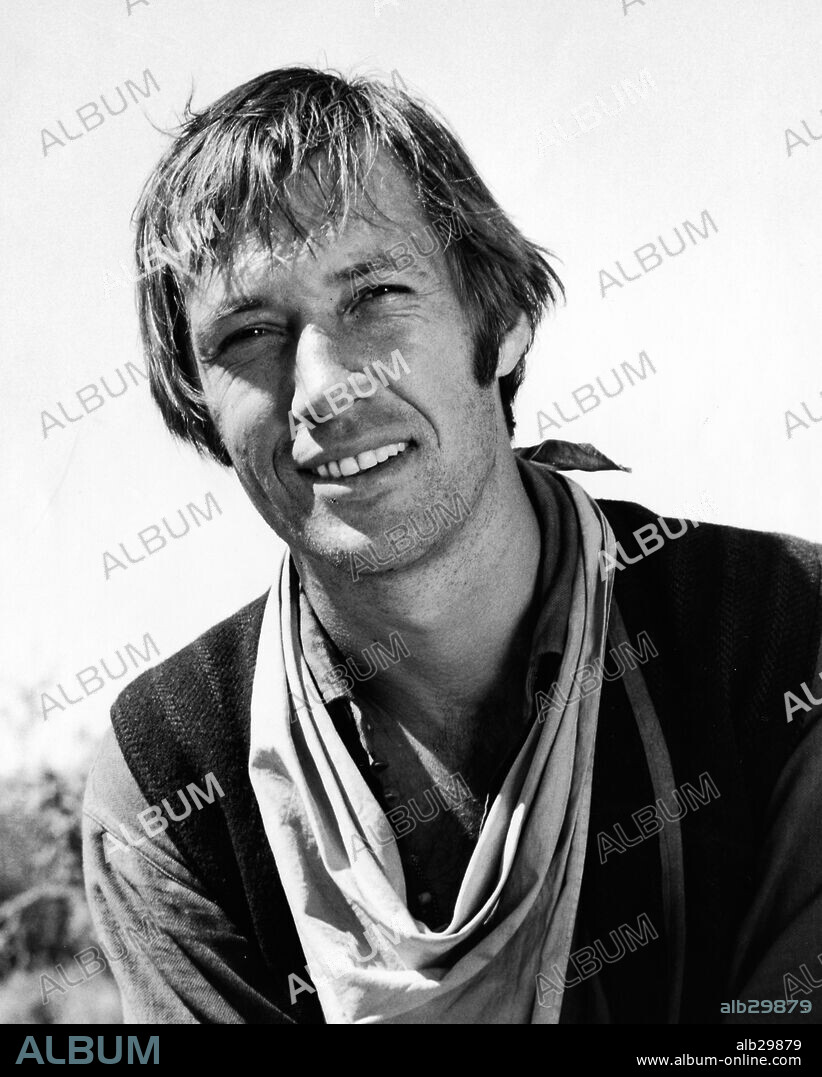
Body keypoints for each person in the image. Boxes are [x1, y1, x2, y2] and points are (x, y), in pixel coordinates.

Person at [82, 67, 822, 1025]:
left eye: (376, 293)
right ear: (197, 407)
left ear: (503, 319)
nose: (322, 392)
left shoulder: (779, 633)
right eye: (249, 332)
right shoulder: (171, 776)